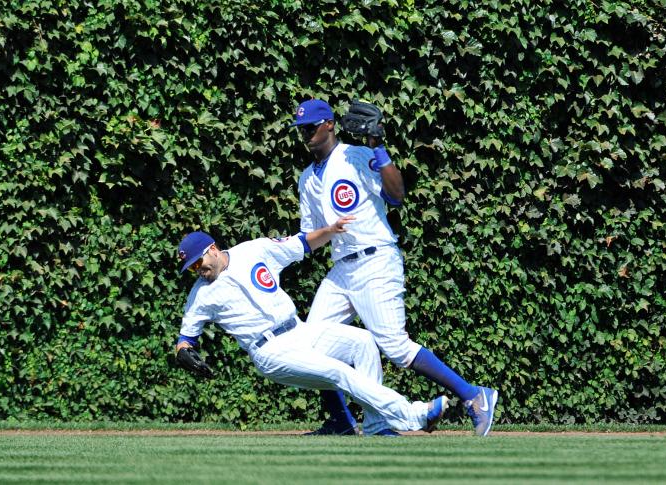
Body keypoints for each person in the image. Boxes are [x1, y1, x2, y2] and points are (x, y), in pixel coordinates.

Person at [289, 98, 498, 436]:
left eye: (311, 127)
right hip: (342, 268)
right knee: (311, 347)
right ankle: (341, 421)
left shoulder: (355, 156)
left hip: (375, 259)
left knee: (396, 346)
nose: (306, 135)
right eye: (301, 130)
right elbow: (310, 237)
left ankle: (474, 396)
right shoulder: (307, 179)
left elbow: (397, 195)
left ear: (329, 124)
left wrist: (378, 146)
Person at [174, 217, 449, 435]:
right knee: (339, 372)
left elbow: (300, 244)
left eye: (197, 262)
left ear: (212, 249)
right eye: (191, 268)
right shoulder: (200, 294)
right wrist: (184, 351)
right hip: (270, 351)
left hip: (299, 330)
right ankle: (414, 415)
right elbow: (186, 337)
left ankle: (376, 426)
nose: (197, 270)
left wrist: (330, 230)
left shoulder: (253, 250)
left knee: (363, 342)